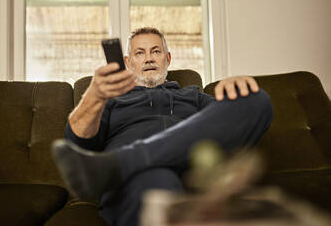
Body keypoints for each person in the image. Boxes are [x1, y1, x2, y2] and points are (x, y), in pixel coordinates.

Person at [52, 27, 273, 226]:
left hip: (196, 170)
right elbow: (77, 144)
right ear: (128, 63)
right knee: (158, 185)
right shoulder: (112, 100)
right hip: (142, 178)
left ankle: (121, 162)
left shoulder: (193, 95)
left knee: (258, 99)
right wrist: (93, 97)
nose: (149, 59)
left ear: (167, 58)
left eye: (155, 51)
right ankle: (128, 165)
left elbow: (233, 124)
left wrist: (234, 93)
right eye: (140, 53)